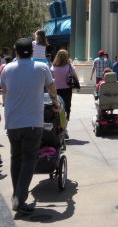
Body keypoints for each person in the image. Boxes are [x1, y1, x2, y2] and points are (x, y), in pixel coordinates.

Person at [1, 38, 60, 215]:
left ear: (16, 53)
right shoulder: (41, 68)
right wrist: (56, 104)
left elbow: (4, 92)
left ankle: (16, 195)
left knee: (16, 158)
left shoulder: (7, 69)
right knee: (29, 159)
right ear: (32, 53)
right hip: (33, 122)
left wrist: (9, 107)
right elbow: (52, 89)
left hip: (13, 122)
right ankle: (19, 199)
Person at [51, 49, 78, 140]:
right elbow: (75, 76)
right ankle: (65, 128)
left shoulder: (53, 67)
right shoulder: (70, 66)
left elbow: (51, 79)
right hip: (67, 89)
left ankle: (57, 126)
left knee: (57, 108)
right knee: (66, 108)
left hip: (56, 90)